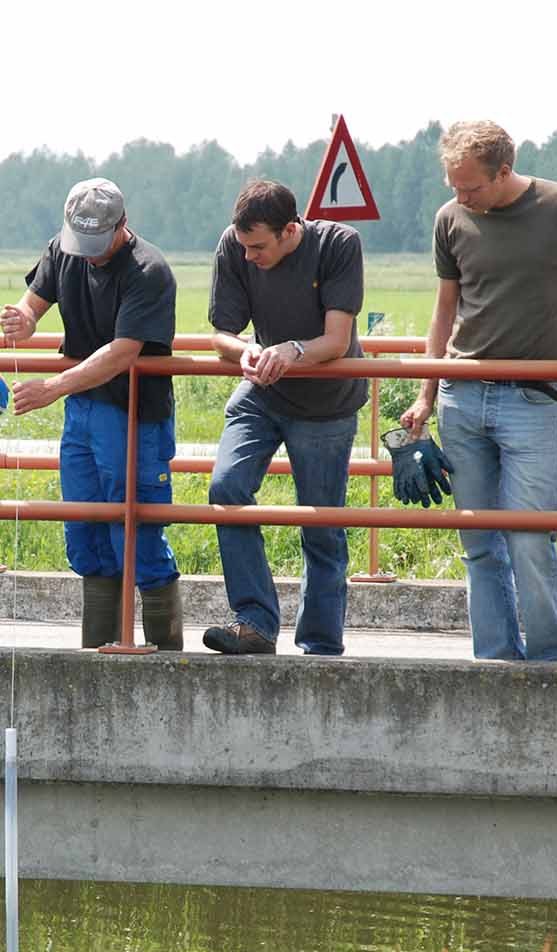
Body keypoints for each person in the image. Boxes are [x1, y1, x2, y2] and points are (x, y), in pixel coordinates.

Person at [399, 120, 557, 662]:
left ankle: (549, 661)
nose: (461, 197)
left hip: (530, 399)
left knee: (530, 537)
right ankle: (496, 661)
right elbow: (444, 311)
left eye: (471, 187)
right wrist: (425, 396)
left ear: (504, 171)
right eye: (453, 186)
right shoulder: (450, 219)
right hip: (461, 393)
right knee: (479, 543)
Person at [0, 178, 182, 650]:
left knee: (136, 534)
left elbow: (124, 351)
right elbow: (34, 303)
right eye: (81, 244)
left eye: (97, 245)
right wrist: (23, 319)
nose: (88, 254)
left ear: (122, 226)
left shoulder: (149, 271)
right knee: (85, 533)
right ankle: (97, 655)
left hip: (132, 413)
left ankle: (168, 659)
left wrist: (53, 387)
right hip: (83, 411)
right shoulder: (63, 251)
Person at [202, 179, 366, 657]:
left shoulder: (338, 245)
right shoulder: (235, 246)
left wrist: (292, 351)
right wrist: (248, 351)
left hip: (326, 403)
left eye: (259, 247)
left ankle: (319, 644)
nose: (249, 256)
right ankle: (254, 622)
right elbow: (221, 336)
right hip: (262, 392)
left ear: (291, 230)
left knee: (320, 526)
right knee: (226, 489)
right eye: (244, 246)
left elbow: (336, 341)